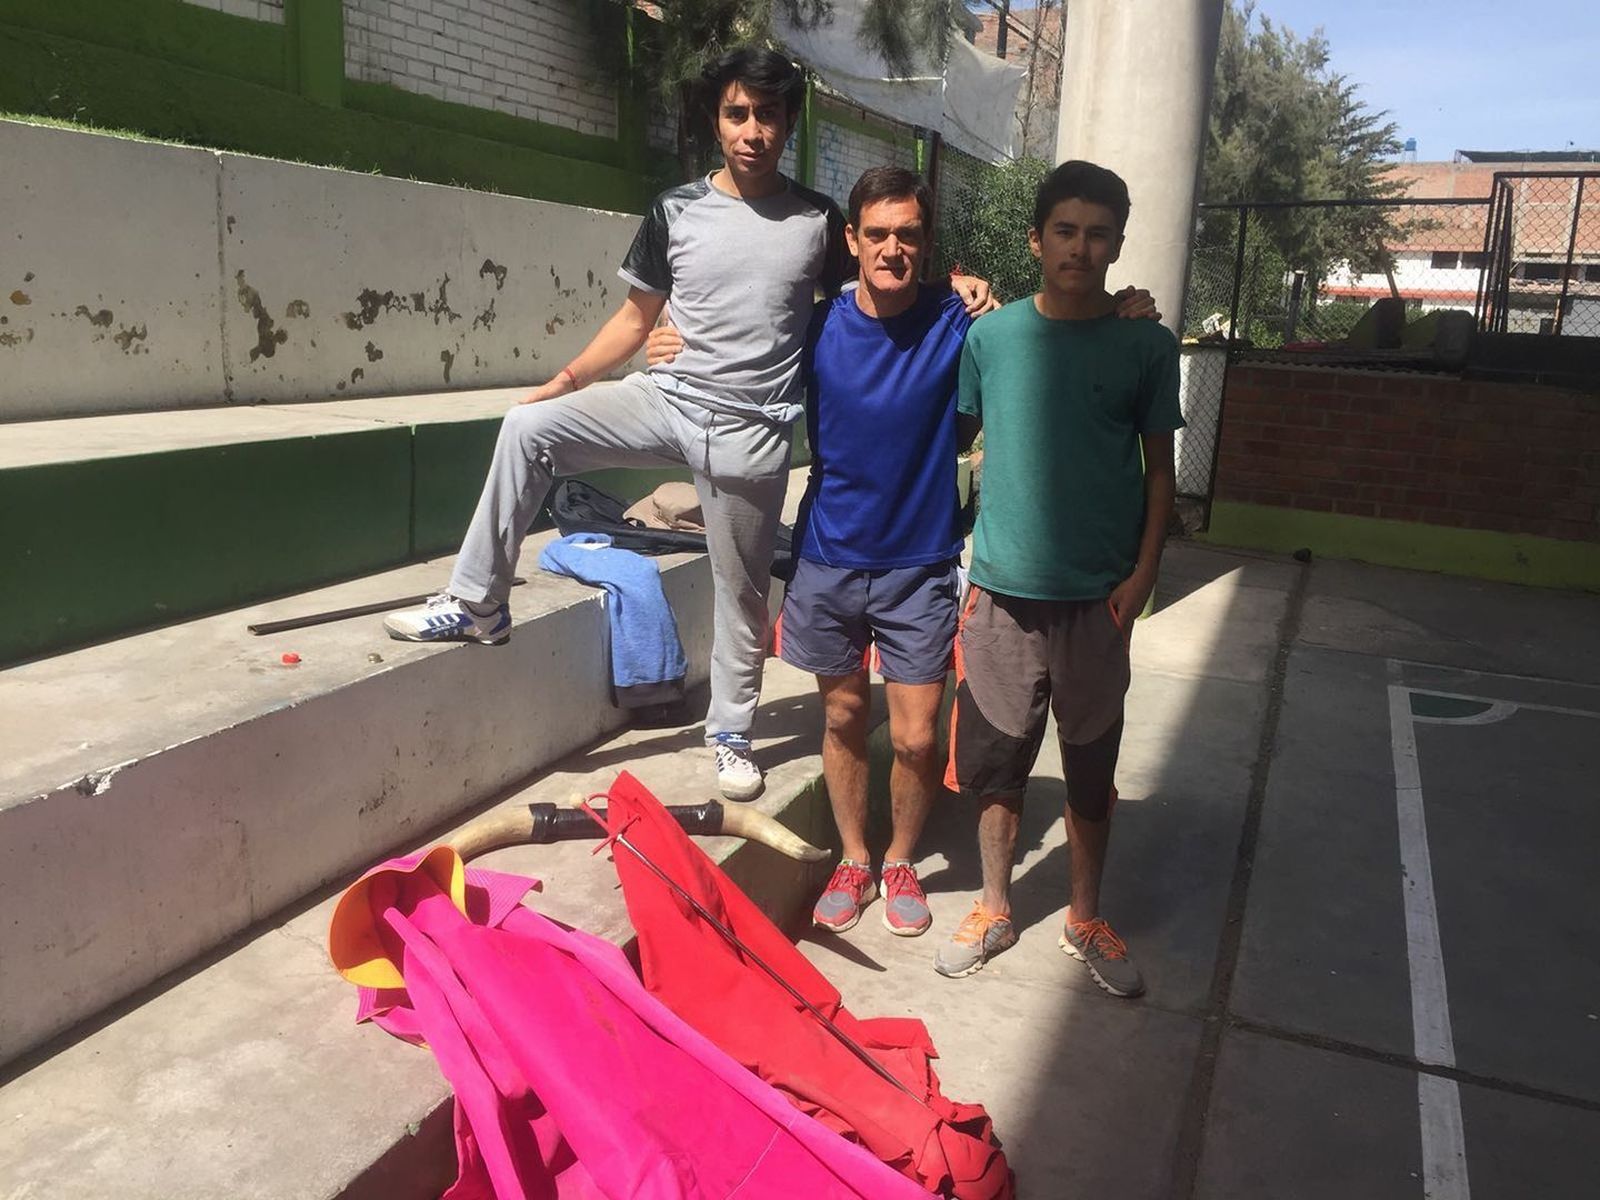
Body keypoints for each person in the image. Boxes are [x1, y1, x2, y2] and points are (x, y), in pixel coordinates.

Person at [382, 48, 992, 803]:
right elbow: (636, 317)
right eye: (738, 113)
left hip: (751, 432)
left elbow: (871, 288)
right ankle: (480, 603)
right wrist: (566, 381)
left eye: (768, 115)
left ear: (787, 124)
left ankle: (730, 730)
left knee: (739, 591)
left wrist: (947, 288)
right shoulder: (675, 210)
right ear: (717, 120)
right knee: (526, 428)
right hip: (665, 399)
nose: (752, 130)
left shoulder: (815, 220)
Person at [652, 167, 1156, 942]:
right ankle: (856, 858)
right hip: (827, 555)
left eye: (909, 235)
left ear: (927, 245)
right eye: (878, 233)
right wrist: (677, 337)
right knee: (846, 715)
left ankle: (900, 859)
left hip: (920, 561)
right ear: (851, 240)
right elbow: (740, 351)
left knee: (919, 735)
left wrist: (1125, 314)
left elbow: (1050, 324)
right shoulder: (815, 327)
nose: (893, 248)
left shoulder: (962, 322)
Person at [934, 160, 1183, 995]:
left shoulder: (1146, 345)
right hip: (1002, 596)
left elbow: (1158, 472)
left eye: (1098, 234)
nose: (1081, 248)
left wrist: (1145, 571)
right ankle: (995, 907)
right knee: (998, 769)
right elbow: (956, 438)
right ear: (1037, 239)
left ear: (1116, 243)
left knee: (1088, 768)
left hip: (1098, 600)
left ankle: (1084, 917)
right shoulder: (990, 339)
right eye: (1065, 231)